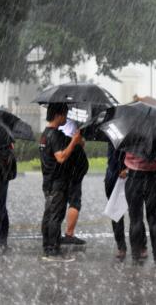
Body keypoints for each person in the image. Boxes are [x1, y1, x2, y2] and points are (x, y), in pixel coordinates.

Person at [39, 103, 85, 260]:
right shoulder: (55, 135)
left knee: (48, 215)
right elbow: (61, 157)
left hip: (48, 181)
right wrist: (73, 142)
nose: (66, 118)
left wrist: (75, 140)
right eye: (65, 114)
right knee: (55, 216)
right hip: (57, 182)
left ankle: (47, 246)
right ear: (58, 115)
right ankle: (52, 250)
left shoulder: (45, 134)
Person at [104, 143, 147, 259]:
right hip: (113, 176)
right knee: (116, 213)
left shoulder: (135, 136)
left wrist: (127, 169)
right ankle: (121, 246)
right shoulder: (113, 135)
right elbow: (111, 159)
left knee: (136, 214)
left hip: (132, 176)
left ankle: (141, 245)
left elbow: (143, 156)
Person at [124, 152, 156, 265]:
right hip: (154, 178)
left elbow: (120, 155)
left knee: (135, 219)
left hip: (134, 178)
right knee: (154, 220)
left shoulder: (131, 135)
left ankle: (135, 257)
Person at [59, 119, 89, 246]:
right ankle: (69, 234)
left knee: (60, 197)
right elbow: (78, 141)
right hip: (74, 159)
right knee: (74, 200)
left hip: (62, 161)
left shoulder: (59, 124)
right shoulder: (75, 120)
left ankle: (53, 234)